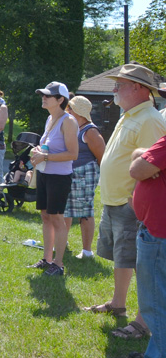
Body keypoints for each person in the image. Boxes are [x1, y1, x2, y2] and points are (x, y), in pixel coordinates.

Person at [85, 63, 166, 340]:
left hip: (131, 204)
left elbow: (152, 166)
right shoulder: (130, 114)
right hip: (116, 200)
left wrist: (135, 201)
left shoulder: (150, 119)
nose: (114, 88)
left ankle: (143, 322)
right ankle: (118, 304)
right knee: (122, 257)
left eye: (120, 84)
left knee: (143, 265)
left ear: (138, 88)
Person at [118, 125, 166, 358]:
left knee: (155, 302)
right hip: (159, 232)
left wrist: (145, 160)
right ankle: (157, 355)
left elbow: (136, 169)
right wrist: (144, 157)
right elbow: (139, 157)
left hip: (160, 233)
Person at [27, 82, 78, 276]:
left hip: (59, 177)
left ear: (60, 100)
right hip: (45, 173)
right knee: (45, 216)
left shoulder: (68, 121)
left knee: (57, 218)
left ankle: (58, 263)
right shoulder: (50, 119)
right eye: (43, 94)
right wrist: (38, 151)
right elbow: (48, 147)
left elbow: (73, 154)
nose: (44, 97)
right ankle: (47, 259)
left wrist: (45, 156)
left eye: (48, 95)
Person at [64, 96, 105, 259]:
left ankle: (87, 251)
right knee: (65, 209)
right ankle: (62, 241)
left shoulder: (90, 131)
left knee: (85, 211)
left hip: (85, 175)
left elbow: (102, 157)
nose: (67, 111)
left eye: (70, 108)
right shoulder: (74, 127)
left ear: (78, 111)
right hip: (70, 173)